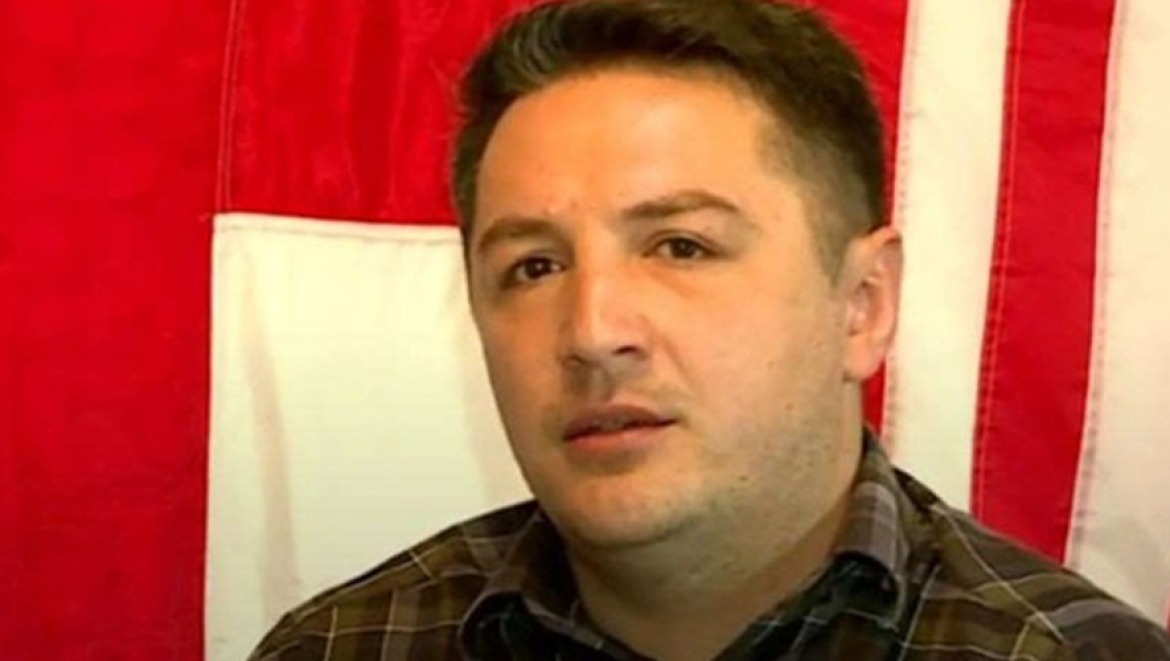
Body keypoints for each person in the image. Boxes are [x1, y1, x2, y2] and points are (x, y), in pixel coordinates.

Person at [249, 0, 1170, 659]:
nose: (593, 330)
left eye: (681, 246)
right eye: (533, 265)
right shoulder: (344, 646)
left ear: (863, 305)